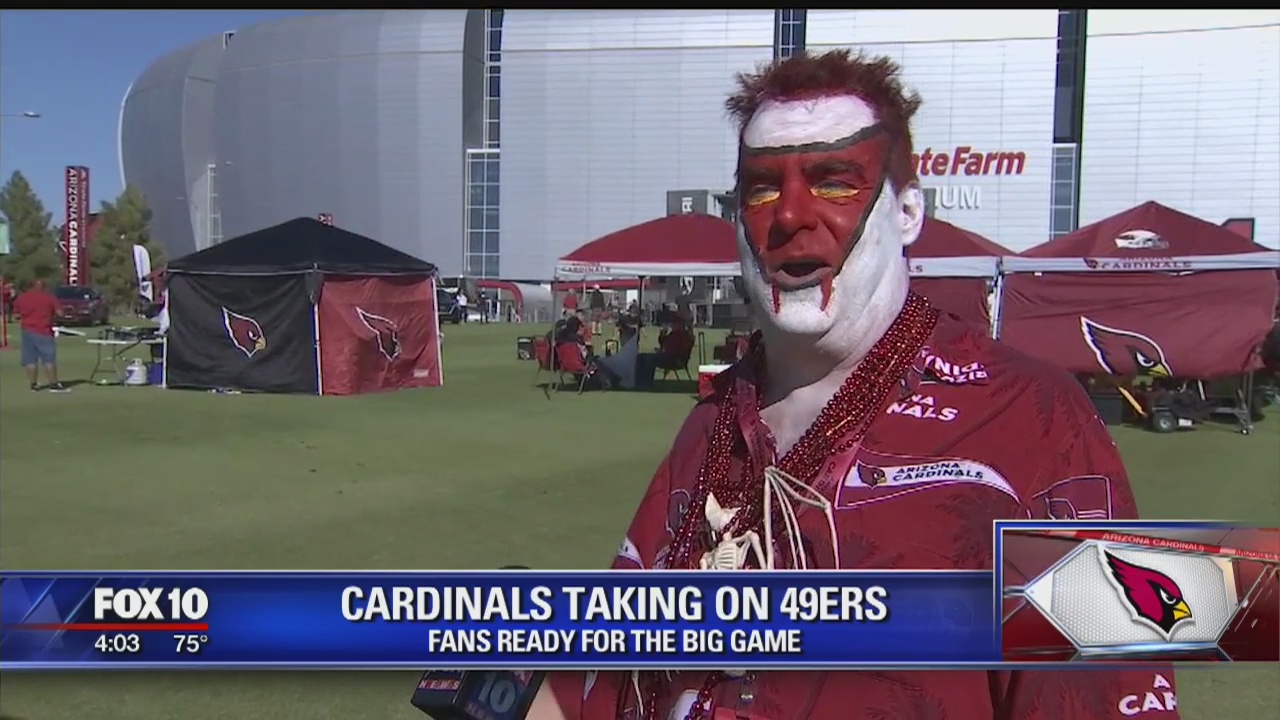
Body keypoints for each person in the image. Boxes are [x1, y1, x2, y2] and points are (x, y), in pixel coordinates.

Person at [532, 50, 1175, 720]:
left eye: (835, 182)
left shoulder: (1033, 420)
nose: (791, 218)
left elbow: (1108, 686)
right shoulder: (713, 422)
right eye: (761, 188)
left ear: (907, 212)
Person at [12, 279, 69, 392]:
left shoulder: (22, 298)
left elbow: (15, 315)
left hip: (27, 331)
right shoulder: (49, 297)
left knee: (30, 360)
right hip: (43, 331)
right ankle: (53, 384)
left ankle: (33, 385)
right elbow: (60, 313)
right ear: (43, 287)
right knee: (48, 359)